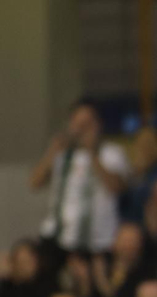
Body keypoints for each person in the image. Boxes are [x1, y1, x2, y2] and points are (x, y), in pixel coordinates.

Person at [33, 100, 128, 258]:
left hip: (97, 240)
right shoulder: (62, 153)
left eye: (87, 124)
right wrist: (52, 152)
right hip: (58, 236)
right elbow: (35, 183)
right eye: (78, 124)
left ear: (98, 125)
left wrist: (92, 153)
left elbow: (116, 188)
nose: (81, 129)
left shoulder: (112, 153)